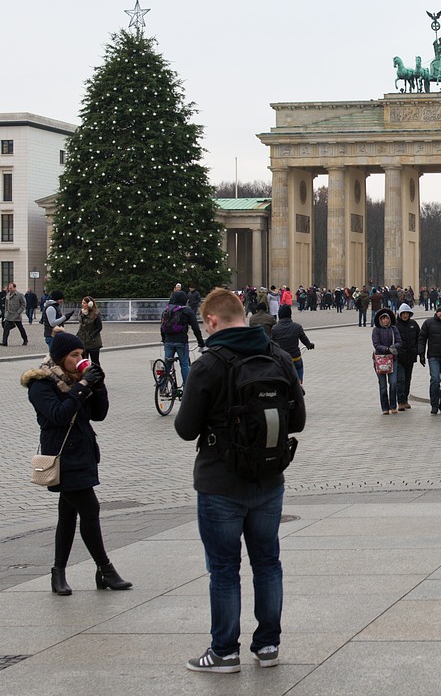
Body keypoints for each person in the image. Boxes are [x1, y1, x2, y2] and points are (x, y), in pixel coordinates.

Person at [175, 288, 306, 674]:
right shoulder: (277, 356)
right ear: (243, 314)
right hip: (269, 479)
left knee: (224, 569)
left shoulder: (209, 364)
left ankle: (224, 652)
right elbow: (297, 421)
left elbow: (185, 429)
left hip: (220, 483)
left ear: (212, 321)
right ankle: (268, 647)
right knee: (267, 563)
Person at [23, 329, 130, 597]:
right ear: (60, 358)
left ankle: (58, 573)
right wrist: (82, 388)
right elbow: (58, 415)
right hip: (62, 456)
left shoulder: (77, 378)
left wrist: (98, 385)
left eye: (81, 354)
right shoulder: (41, 384)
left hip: (83, 453)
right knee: (90, 509)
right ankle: (105, 569)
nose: (80, 359)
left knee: (68, 515)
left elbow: (99, 414)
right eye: (74, 355)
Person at [161, 291, 205, 386]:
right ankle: (187, 389)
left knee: (167, 365)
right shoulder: (187, 311)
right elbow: (196, 328)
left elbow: (162, 327)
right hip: (181, 341)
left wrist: (164, 340)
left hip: (168, 341)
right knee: (184, 365)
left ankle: (162, 387)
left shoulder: (167, 310)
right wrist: (201, 343)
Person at [268, 304, 314, 384]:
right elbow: (305, 340)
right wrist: (309, 345)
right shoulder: (297, 327)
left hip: (282, 360)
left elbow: (271, 344)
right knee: (299, 369)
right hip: (295, 358)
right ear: (290, 314)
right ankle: (299, 384)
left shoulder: (274, 329)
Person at [371, 307, 401, 414]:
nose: (385, 321)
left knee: (393, 383)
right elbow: (376, 344)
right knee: (383, 385)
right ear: (380, 320)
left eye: (386, 318)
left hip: (393, 359)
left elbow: (399, 342)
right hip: (380, 360)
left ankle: (393, 405)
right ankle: (385, 407)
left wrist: (394, 346)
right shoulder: (376, 330)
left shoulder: (394, 329)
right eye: (383, 319)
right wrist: (386, 349)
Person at [394, 303, 420, 412]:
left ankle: (405, 400)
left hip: (410, 356)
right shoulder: (395, 325)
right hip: (399, 357)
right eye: (403, 313)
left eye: (407, 313)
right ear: (400, 314)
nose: (405, 315)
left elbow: (419, 338)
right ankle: (400, 401)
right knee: (400, 379)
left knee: (407, 379)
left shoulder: (413, 324)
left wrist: (418, 351)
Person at [79, 296, 104, 367]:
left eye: (84, 303)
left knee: (95, 361)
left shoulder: (95, 314)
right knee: (84, 361)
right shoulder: (81, 313)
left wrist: (92, 335)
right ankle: (86, 375)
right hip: (83, 340)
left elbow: (99, 327)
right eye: (82, 303)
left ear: (89, 304)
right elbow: (81, 327)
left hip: (93, 342)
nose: (82, 304)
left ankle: (97, 376)